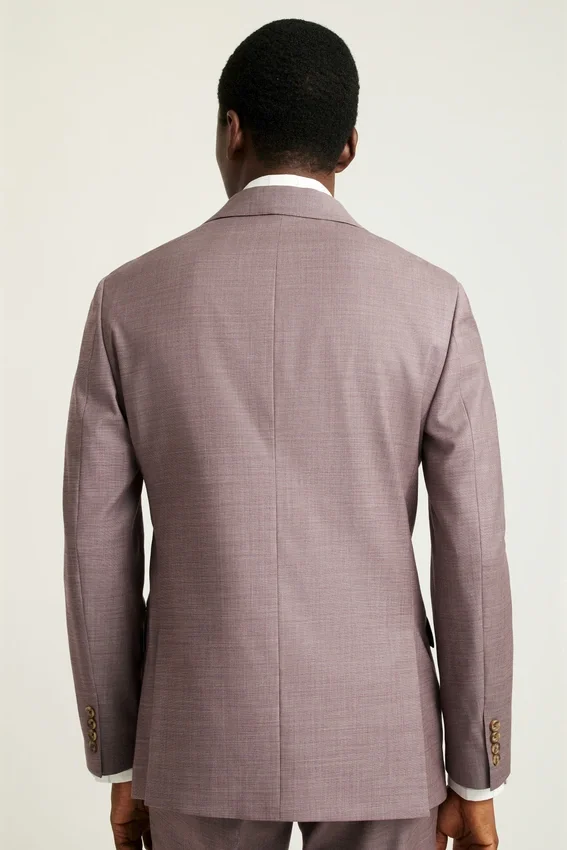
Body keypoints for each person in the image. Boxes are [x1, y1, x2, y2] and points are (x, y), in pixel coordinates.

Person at [62, 17, 513, 850]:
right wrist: (475, 772)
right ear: (347, 147)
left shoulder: (127, 302)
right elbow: (472, 550)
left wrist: (119, 758)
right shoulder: (431, 303)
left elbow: (96, 550)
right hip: (382, 737)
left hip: (197, 737)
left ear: (231, 130)